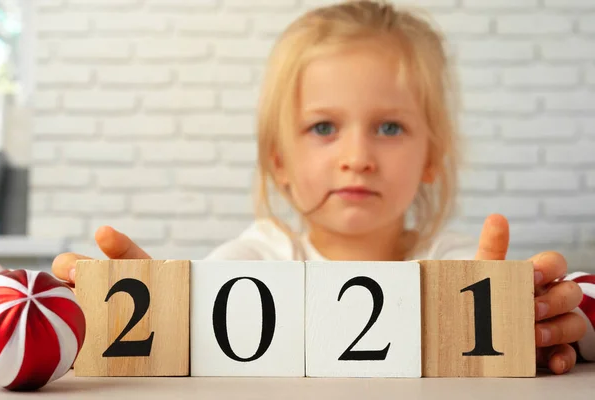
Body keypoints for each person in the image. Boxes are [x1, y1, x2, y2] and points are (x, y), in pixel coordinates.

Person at [50, 0, 593, 375]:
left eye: (389, 127)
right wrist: (146, 318)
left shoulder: (458, 268)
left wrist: (541, 327)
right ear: (280, 162)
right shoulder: (250, 263)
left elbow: (561, 330)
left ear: (432, 157)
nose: (357, 159)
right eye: (323, 128)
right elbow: (190, 347)